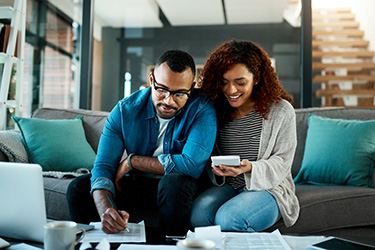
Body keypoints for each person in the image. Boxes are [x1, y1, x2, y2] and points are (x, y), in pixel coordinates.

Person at [67, 50, 217, 236]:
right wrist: (106, 209)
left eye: (179, 93)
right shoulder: (125, 111)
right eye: (161, 89)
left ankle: (171, 245)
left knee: (173, 182)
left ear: (192, 86)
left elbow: (191, 165)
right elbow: (103, 167)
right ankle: (95, 244)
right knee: (79, 188)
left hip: (179, 189)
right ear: (152, 79)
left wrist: (132, 161)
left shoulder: (202, 108)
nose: (168, 101)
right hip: (141, 184)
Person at [190, 40, 300, 232]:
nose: (231, 90)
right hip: (229, 186)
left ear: (256, 78)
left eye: (240, 82)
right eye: (224, 82)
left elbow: (283, 162)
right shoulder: (215, 109)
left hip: (269, 188)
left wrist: (250, 169)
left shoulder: (281, 111)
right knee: (199, 216)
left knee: (229, 218)